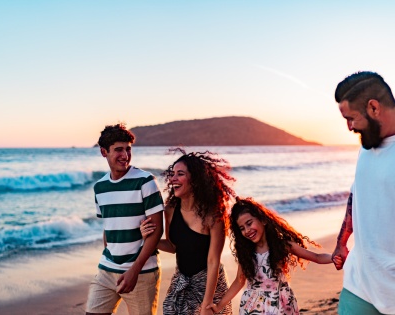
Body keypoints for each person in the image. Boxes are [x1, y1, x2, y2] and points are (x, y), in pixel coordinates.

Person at [140, 148, 236, 315]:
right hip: (181, 280)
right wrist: (149, 238)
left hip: (209, 284)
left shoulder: (213, 215)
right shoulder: (170, 209)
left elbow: (213, 261)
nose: (173, 178)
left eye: (180, 174)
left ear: (196, 180)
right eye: (172, 173)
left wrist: (207, 304)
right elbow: (173, 246)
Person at [206, 197, 339, 315]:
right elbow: (239, 282)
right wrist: (218, 306)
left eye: (249, 223)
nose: (247, 230)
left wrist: (335, 257)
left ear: (263, 220)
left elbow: (316, 257)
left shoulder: (281, 245)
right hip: (253, 305)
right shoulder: (246, 253)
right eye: (242, 228)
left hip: (280, 302)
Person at [332, 71, 395, 315]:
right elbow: (357, 194)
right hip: (360, 284)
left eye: (352, 118)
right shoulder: (368, 145)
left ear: (374, 107)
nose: (349, 127)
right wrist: (341, 242)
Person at [85, 123, 165, 315]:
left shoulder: (145, 182)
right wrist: (109, 253)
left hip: (142, 271)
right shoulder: (100, 187)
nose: (125, 155)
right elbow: (109, 226)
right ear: (104, 152)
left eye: (128, 149)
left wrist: (134, 270)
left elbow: (157, 230)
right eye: (118, 150)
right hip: (107, 268)